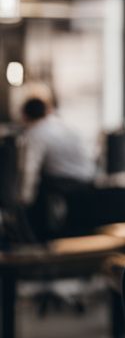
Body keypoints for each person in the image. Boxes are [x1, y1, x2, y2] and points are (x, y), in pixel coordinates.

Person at [19, 94, 96, 240]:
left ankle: (43, 237)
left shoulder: (35, 132)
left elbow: (29, 169)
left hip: (64, 183)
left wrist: (24, 199)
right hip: (88, 179)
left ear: (25, 116)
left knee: (36, 189)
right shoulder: (64, 125)